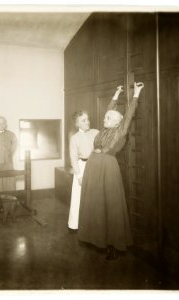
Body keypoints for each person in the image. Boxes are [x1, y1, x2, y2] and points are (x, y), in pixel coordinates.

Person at [78, 82, 145, 260]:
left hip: (108, 168)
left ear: (117, 122)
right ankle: (95, 239)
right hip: (94, 166)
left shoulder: (120, 131)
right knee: (95, 204)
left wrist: (136, 93)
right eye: (105, 117)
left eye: (108, 118)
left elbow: (129, 115)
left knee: (110, 206)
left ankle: (112, 245)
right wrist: (116, 93)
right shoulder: (104, 129)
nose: (104, 119)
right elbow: (110, 109)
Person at [68, 111, 99, 232]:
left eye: (88, 119)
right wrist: (79, 175)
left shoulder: (96, 132)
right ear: (77, 124)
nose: (87, 122)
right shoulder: (74, 138)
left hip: (96, 165)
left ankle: (93, 224)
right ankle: (74, 225)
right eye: (83, 120)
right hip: (81, 167)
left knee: (95, 195)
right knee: (78, 195)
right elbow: (73, 158)